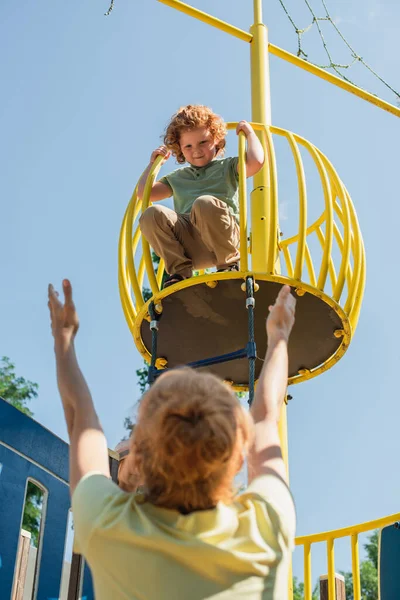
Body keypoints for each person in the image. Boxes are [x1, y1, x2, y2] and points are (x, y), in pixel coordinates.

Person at [48, 279, 296, 599]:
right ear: (237, 459)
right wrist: (279, 337)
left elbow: (80, 417)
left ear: (136, 455)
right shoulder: (266, 528)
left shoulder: (109, 526)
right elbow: (265, 417)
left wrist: (63, 342)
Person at [138, 105, 264, 288]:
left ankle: (229, 265)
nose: (196, 150)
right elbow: (145, 193)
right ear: (179, 149)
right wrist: (152, 165)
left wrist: (250, 134)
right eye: (188, 146)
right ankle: (180, 272)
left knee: (203, 203)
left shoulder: (227, 167)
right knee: (151, 214)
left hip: (223, 239)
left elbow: (256, 162)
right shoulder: (178, 177)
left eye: (203, 142)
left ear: (216, 140)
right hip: (190, 246)